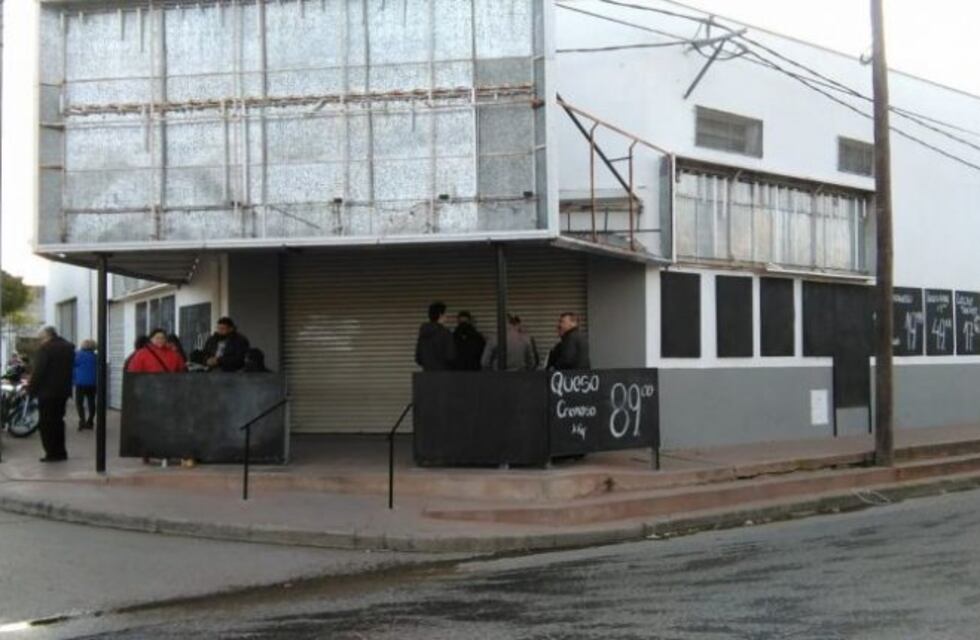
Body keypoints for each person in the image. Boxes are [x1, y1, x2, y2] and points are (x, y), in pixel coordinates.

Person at [27, 327, 76, 462]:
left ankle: (52, 453)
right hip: (63, 391)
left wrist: (31, 389)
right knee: (58, 421)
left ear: (47, 336)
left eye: (41, 338)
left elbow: (39, 371)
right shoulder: (68, 348)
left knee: (47, 424)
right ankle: (61, 452)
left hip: (47, 392)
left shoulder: (46, 349)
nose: (40, 341)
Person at [415, 301, 456, 371]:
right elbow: (451, 356)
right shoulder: (445, 333)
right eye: (445, 313)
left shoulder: (423, 333)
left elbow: (418, 358)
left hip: (427, 374)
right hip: (443, 373)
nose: (446, 316)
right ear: (440, 315)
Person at [73, 339, 98, 431]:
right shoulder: (96, 357)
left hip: (80, 383)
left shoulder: (77, 355)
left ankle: (82, 421)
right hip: (93, 383)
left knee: (79, 403)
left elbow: (72, 366)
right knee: (91, 402)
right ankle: (90, 421)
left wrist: (73, 380)